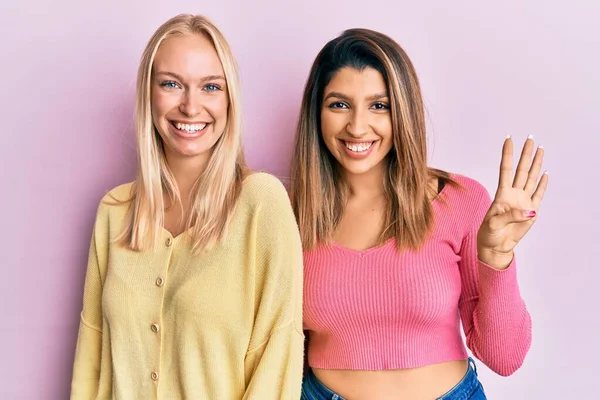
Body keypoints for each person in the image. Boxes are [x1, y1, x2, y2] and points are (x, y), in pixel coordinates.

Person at [290, 28, 548, 400]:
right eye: (339, 104)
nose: (358, 126)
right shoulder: (288, 213)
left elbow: (504, 358)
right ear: (317, 113)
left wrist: (497, 258)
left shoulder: (459, 201)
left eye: (379, 105)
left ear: (403, 112)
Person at [70, 14, 303, 399]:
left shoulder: (262, 204)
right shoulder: (114, 211)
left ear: (230, 99)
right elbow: (90, 364)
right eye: (171, 84)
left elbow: (277, 359)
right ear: (149, 93)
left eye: (210, 86)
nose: (190, 106)